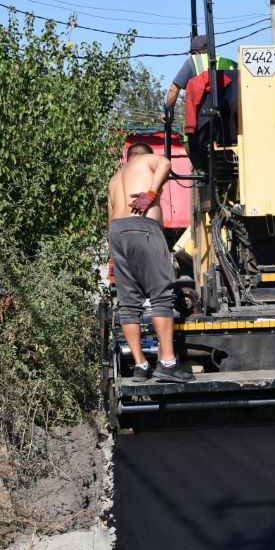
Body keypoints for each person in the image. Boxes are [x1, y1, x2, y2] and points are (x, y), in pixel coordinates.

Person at [108, 143, 193, 383]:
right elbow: (166, 163)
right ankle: (167, 362)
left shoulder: (115, 179)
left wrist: (113, 259)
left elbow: (110, 217)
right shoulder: (147, 160)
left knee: (128, 304)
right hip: (142, 228)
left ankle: (140, 365)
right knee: (161, 295)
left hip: (117, 234)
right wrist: (152, 194)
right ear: (144, 154)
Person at [162, 35, 236, 122]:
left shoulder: (193, 61)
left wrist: (169, 113)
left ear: (195, 53)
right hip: (229, 119)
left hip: (204, 118)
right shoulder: (229, 62)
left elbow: (173, 90)